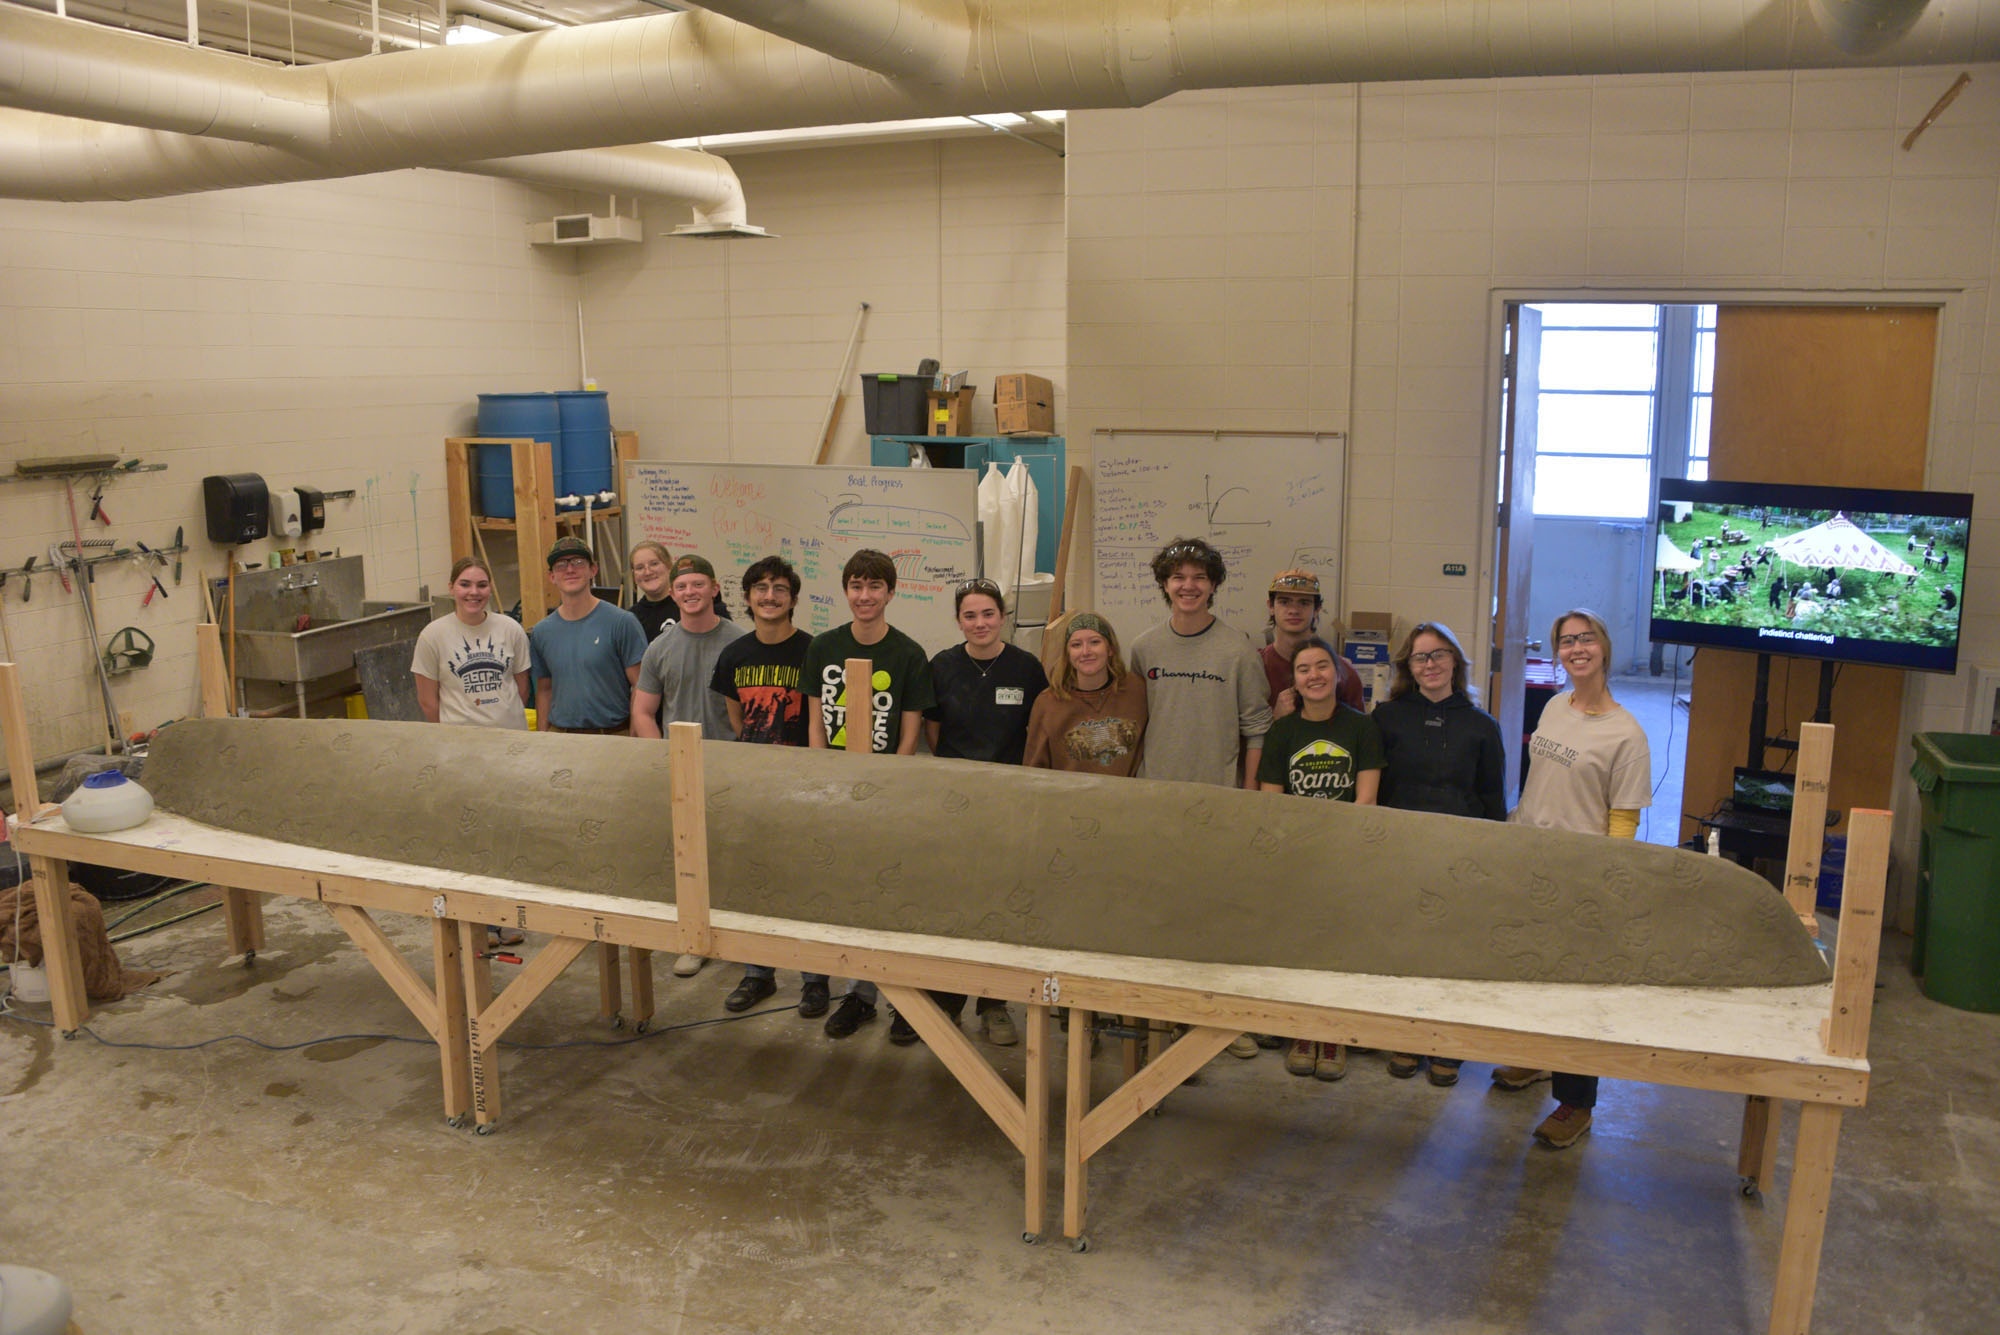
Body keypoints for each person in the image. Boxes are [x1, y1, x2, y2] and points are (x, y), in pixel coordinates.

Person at [1490, 608, 1652, 1149]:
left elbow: (1624, 820)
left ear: (1603, 647)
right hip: (1532, 859)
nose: (1575, 648)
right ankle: (1536, 1058)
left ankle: (1575, 1101)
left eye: (1585, 639)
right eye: (1566, 641)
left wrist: (1607, 884)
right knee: (1531, 969)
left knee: (1575, 990)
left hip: (1582, 875)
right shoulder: (1556, 706)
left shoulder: (1626, 734)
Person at [1128, 537, 1273, 1058]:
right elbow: (1137, 725)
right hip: (1156, 801)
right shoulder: (1145, 648)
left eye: (1198, 577)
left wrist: (1248, 795)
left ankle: (1223, 1023)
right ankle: (1162, 1019)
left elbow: (1256, 726)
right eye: (1178, 577)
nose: (1188, 586)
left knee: (1218, 915)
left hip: (1218, 801)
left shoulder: (1237, 649)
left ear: (1213, 585)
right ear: (1165, 585)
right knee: (1162, 915)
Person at [803, 549, 937, 1038]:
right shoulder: (823, 646)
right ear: (846, 591)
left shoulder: (908, 654)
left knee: (880, 893)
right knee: (835, 888)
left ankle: (883, 998)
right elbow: (816, 717)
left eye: (875, 587)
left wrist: (890, 787)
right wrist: (823, 776)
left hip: (884, 792)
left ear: (890, 592)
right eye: (856, 586)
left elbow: (910, 732)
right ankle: (837, 989)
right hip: (832, 787)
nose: (865, 596)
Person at [1370, 621, 1506, 1086]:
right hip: (1401, 851)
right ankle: (1407, 1038)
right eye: (1420, 657)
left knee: (1453, 952)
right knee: (1406, 949)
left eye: (1439, 655)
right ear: (1408, 666)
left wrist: (1491, 860)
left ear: (1455, 661)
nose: (1429, 665)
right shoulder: (1386, 718)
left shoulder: (1482, 726)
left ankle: (1447, 1044)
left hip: (1460, 854)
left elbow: (1492, 798)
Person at [920, 578, 1050, 1047]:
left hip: (1011, 801)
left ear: (1002, 618)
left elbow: (1038, 731)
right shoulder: (942, 666)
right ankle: (951, 996)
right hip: (956, 800)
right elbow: (934, 734)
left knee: (1001, 901)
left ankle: (994, 1004)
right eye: (970, 615)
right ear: (959, 621)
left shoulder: (1027, 668)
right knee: (956, 900)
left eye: (988, 614)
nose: (980, 623)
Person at [1257, 636, 1383, 1083]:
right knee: (1297, 947)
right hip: (1296, 857)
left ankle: (1335, 1036)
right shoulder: (1283, 732)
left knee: (1339, 950)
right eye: (1304, 669)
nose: (1314, 675)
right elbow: (1271, 804)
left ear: (1339, 673)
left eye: (1322, 666)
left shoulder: (1361, 728)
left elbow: (1366, 800)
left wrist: (1339, 851)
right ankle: (1303, 1034)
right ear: (1293, 682)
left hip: (1344, 855)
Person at [711, 556, 825, 1017]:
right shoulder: (735, 655)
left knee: (806, 882)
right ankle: (757, 973)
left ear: (793, 599)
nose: (769, 596)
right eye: (760, 588)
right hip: (753, 787)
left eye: (780, 588)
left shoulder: (815, 651)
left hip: (804, 785)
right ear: (748, 598)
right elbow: (736, 719)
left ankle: (815, 979)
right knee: (755, 880)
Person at [632, 554, 747, 979]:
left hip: (731, 769)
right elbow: (643, 712)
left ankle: (741, 940)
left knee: (735, 853)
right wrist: (662, 758)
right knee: (688, 858)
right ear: (674, 593)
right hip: (681, 773)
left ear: (714, 589)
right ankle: (695, 940)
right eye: (682, 587)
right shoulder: (660, 649)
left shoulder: (740, 643)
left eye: (698, 584)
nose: (690, 592)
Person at [411, 555, 533, 948]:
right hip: (462, 755)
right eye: (465, 584)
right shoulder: (433, 635)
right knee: (470, 838)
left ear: (490, 589)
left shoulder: (510, 629)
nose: (474, 593)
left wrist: (502, 723)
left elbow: (522, 687)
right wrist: (455, 739)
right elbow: (428, 701)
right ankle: (477, 921)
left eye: (481, 585)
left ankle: (509, 915)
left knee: (510, 835)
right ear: (452, 588)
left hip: (510, 749)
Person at [528, 536, 647, 735]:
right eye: (561, 565)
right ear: (551, 577)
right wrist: (543, 737)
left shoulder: (622, 622)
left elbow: (641, 685)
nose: (570, 570)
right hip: (560, 737)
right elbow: (544, 690)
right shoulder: (541, 632)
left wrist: (633, 737)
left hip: (612, 736)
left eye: (578, 562)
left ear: (593, 570)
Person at [1024, 613, 1147, 776]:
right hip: (1069, 799)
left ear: (1110, 649)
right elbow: (1033, 770)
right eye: (1076, 645)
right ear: (1067, 653)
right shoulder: (1048, 703)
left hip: (1127, 798)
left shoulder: (1137, 690)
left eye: (1095, 642)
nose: (1085, 652)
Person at [1261, 568, 1363, 716]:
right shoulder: (1256, 666)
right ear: (1271, 606)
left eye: (1304, 602)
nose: (1294, 610)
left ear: (1317, 609)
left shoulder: (1344, 673)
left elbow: (1358, 733)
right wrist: (1275, 719)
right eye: (1284, 602)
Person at [626, 541, 678, 641]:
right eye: (640, 567)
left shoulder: (687, 608)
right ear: (634, 576)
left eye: (654, 564)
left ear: (669, 566)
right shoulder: (630, 619)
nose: (648, 572)